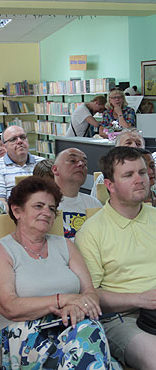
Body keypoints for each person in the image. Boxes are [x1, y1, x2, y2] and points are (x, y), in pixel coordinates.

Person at [0, 176, 119, 370]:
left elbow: (90, 293)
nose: (47, 212)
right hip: (20, 335)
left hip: (69, 326)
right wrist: (63, 300)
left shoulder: (65, 245)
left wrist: (76, 308)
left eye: (52, 208)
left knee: (89, 334)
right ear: (16, 210)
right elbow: (10, 307)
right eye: (38, 206)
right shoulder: (0, 250)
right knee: (90, 345)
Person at [76, 146, 156, 369]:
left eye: (142, 172)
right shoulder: (92, 232)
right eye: (128, 175)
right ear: (109, 185)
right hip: (122, 318)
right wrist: (140, 298)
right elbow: (89, 296)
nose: (140, 179)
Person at [52, 148, 102, 240]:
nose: (81, 164)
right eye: (72, 161)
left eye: (85, 163)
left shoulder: (94, 205)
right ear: (55, 169)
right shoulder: (43, 204)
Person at [0, 125, 43, 206]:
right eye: (13, 139)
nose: (20, 141)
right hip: (13, 216)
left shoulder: (41, 163)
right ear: (4, 145)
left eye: (23, 137)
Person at [91, 128, 145, 198]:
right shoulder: (104, 177)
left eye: (138, 144)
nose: (134, 146)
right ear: (117, 148)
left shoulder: (151, 174)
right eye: (128, 143)